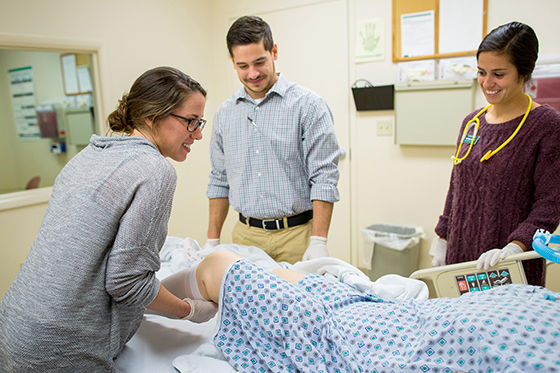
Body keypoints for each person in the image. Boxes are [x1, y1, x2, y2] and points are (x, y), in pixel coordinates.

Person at [0, 66, 218, 371]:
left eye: (200, 121)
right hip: (59, 346)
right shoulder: (154, 169)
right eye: (191, 122)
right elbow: (127, 283)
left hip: (13, 325)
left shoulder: (90, 154)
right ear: (152, 117)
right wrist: (189, 310)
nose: (198, 133)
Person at [176, 249, 560, 372]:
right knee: (269, 270)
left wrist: (189, 309)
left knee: (221, 263)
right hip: (381, 315)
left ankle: (149, 303)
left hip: (349, 336)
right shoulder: (545, 300)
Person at [432, 22, 560, 286]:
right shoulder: (472, 122)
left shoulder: (546, 125)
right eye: (481, 72)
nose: (487, 83)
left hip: (509, 265)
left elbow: (550, 205)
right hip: (461, 259)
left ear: (523, 73)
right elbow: (457, 188)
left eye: (499, 74)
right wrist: (442, 237)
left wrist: (515, 247)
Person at [206, 15, 341, 264]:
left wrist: (318, 241)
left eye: (260, 62)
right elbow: (219, 180)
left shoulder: (308, 106)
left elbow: (324, 176)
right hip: (244, 238)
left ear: (274, 51)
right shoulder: (224, 114)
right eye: (243, 66)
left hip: (297, 236)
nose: (253, 73)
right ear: (232, 61)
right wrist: (211, 241)